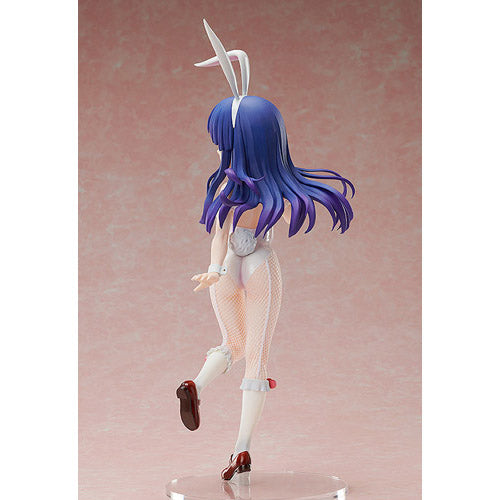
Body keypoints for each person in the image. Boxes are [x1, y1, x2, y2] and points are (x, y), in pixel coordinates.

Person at [176, 20, 355, 481]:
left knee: (230, 343)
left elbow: (220, 234)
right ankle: (241, 451)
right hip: (257, 264)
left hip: (227, 267)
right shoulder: (272, 185)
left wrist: (214, 269)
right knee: (254, 359)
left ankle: (196, 383)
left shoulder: (226, 187)